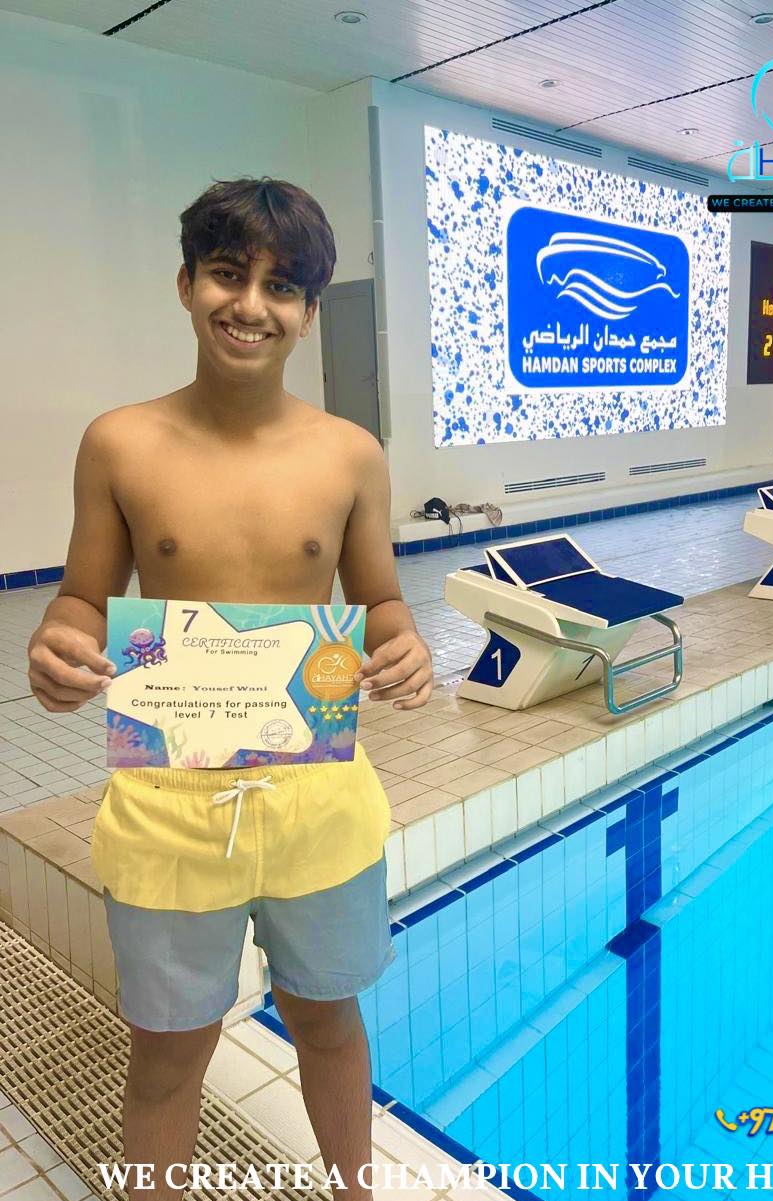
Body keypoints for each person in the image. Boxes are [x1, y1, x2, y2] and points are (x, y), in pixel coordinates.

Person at [26, 177, 433, 1200]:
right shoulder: (121, 442)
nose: (250, 305)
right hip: (171, 802)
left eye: (281, 287)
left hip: (317, 798)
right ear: (186, 284)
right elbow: (84, 596)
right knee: (169, 1049)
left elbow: (380, 600)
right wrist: (59, 644)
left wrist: (405, 646)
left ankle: (354, 1190)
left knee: (329, 1022)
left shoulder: (350, 455)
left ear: (307, 309)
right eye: (227, 274)